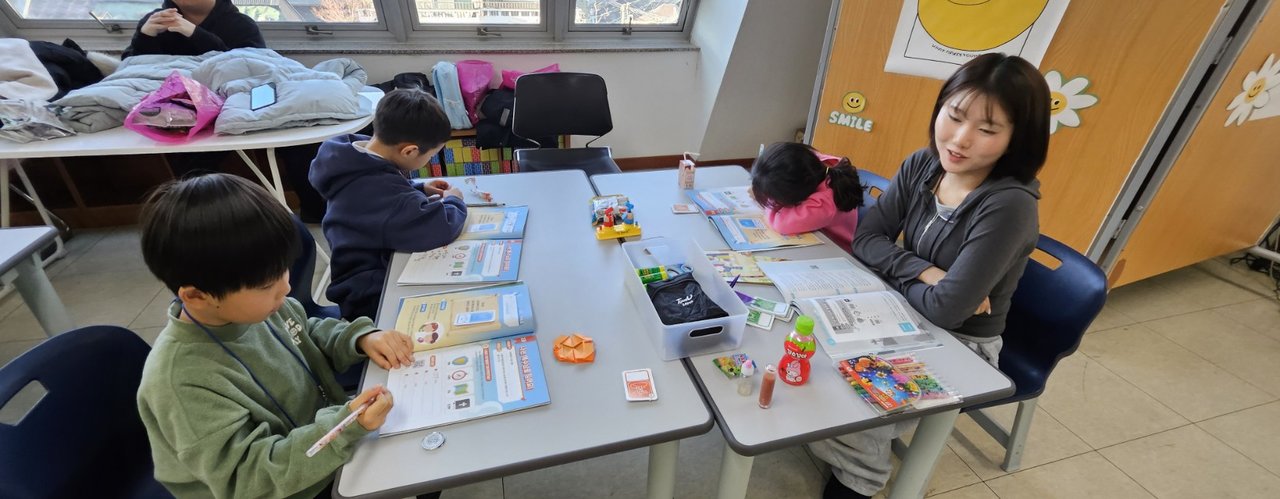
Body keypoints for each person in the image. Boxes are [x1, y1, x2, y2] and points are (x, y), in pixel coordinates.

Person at [811, 52, 1049, 499]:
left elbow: (948, 311)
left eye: (987, 129)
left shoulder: (1009, 204)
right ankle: (846, 448)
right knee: (805, 360)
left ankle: (861, 478)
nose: (960, 139)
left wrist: (903, 272)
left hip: (963, 341)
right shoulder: (924, 163)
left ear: (1018, 139)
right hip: (900, 308)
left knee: (853, 395)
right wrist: (927, 272)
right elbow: (866, 239)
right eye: (954, 116)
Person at [135, 173, 422, 499]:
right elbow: (249, 478)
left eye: (283, 270)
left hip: (322, 448)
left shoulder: (258, 308)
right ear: (197, 296)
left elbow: (306, 331)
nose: (286, 287)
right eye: (266, 285)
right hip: (287, 486)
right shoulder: (180, 382)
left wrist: (358, 338)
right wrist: (344, 427)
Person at [309, 88, 468, 321]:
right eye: (431, 156)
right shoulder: (383, 192)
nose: (429, 160)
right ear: (409, 151)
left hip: (354, 270)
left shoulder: (349, 154)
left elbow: (378, 196)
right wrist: (455, 200)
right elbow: (439, 227)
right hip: (370, 294)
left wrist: (418, 188)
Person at [750, 142, 864, 252]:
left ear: (795, 196)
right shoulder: (812, 164)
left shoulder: (824, 204)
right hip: (818, 238)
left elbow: (780, 223)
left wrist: (768, 200)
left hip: (836, 251)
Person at [122, 0, 265, 58]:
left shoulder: (242, 25)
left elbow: (255, 71)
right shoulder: (155, 20)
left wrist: (197, 35)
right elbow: (129, 70)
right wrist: (145, 38)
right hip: (158, 101)